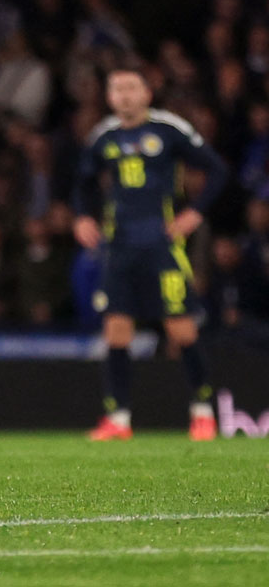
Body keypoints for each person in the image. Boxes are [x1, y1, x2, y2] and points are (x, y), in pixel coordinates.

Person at [73, 67, 229, 440]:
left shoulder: (169, 129)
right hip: (119, 247)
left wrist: (194, 212)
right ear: (109, 97)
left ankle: (203, 411)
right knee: (116, 331)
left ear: (147, 92)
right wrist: (81, 217)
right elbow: (82, 184)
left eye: (131, 87)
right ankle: (119, 419)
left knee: (181, 328)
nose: (124, 95)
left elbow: (218, 169)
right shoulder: (103, 137)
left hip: (162, 244)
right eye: (117, 88)